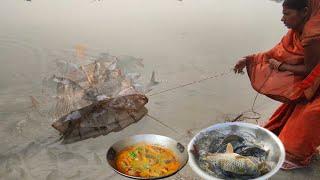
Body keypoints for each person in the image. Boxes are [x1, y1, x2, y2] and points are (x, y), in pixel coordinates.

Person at [234, 0, 320, 170]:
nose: (282, 19)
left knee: (307, 123)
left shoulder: (313, 32)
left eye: (287, 14)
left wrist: (282, 66)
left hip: (315, 77)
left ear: (304, 12)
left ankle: (299, 153)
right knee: (283, 123)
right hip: (315, 80)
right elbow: (278, 52)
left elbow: (310, 68)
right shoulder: (299, 26)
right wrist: (249, 59)